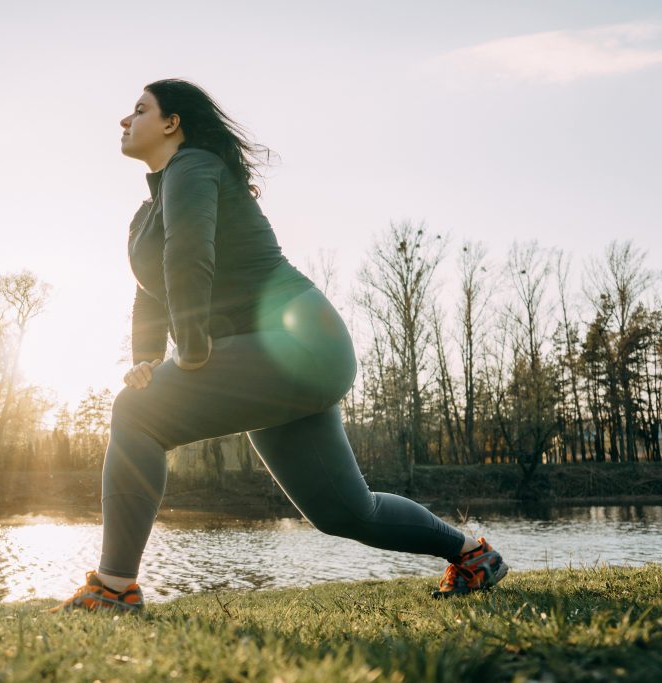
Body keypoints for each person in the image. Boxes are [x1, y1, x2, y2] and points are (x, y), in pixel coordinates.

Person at [50, 79, 508, 613]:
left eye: (138, 110)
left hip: (299, 343)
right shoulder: (147, 212)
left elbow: (189, 257)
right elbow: (151, 291)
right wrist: (147, 360)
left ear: (172, 122)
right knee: (343, 511)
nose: (124, 122)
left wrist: (192, 348)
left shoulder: (194, 167)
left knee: (138, 415)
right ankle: (473, 555)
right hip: (276, 358)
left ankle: (113, 589)